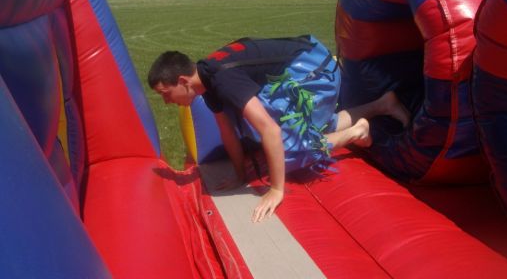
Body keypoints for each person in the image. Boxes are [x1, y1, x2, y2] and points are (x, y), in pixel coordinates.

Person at [148, 35, 410, 223]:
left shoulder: (222, 78)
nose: (167, 101)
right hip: (303, 60)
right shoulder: (207, 79)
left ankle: (357, 132)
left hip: (314, 67)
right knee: (287, 130)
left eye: (165, 93)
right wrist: (239, 175)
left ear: (182, 81)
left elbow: (270, 131)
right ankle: (383, 105)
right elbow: (226, 131)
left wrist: (276, 189)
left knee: (287, 153)